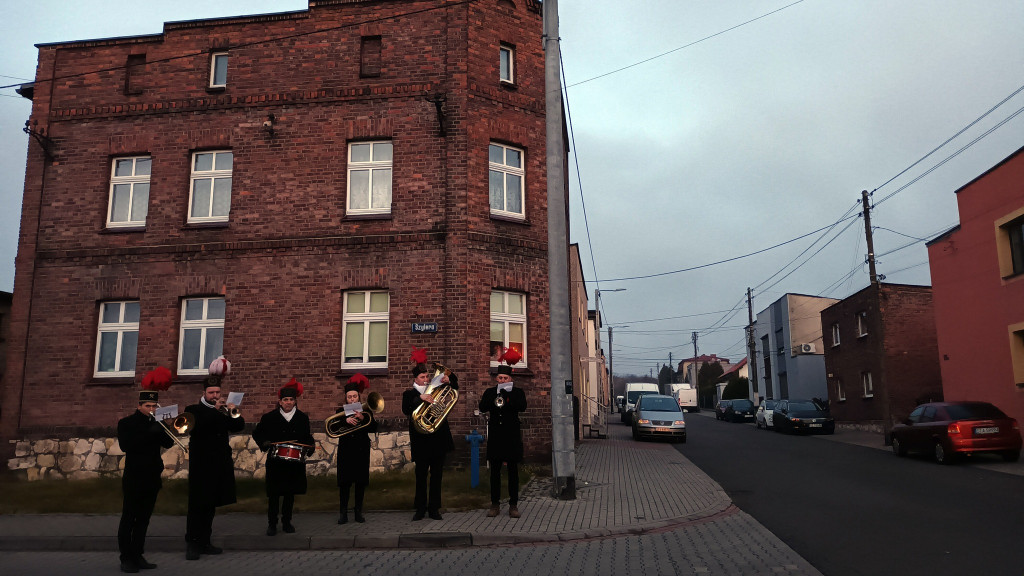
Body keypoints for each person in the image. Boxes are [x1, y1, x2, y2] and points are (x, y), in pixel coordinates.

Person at [184, 356, 245, 560]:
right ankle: (192, 543)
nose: (215, 395)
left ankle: (205, 541)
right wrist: (217, 411)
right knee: (197, 505)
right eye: (211, 393)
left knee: (210, 505)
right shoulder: (193, 410)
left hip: (219, 463)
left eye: (218, 392)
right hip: (201, 464)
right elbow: (198, 427)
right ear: (204, 393)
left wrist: (231, 411)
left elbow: (238, 426)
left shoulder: (223, 410)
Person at [116, 367, 174, 573]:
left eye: (153, 405)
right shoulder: (126, 423)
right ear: (139, 405)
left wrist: (165, 426)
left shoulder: (157, 423)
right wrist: (151, 431)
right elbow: (127, 445)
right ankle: (126, 558)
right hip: (134, 476)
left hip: (152, 476)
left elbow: (169, 443)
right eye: (148, 405)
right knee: (129, 517)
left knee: (144, 518)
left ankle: (138, 554)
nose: (151, 409)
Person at [252, 378, 315, 536]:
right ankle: (272, 524)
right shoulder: (269, 418)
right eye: (285, 400)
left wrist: (310, 446)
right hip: (276, 461)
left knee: (289, 494)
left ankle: (287, 522)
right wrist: (265, 443)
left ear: (295, 401)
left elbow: (307, 437)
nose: (288, 402)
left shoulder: (302, 418)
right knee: (274, 494)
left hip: (294, 463)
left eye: (291, 400)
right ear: (280, 402)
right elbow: (257, 433)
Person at [401, 347, 458, 521]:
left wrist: (450, 379)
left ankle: (434, 508)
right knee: (420, 475)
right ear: (415, 379)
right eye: (423, 377)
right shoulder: (409, 394)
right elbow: (406, 410)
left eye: (427, 377)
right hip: (421, 440)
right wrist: (420, 399)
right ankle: (420, 508)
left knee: (437, 475)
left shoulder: (435, 389)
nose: (426, 380)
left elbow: (455, 388)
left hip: (437, 438)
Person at [478, 349, 527, 518]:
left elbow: (522, 407)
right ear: (496, 379)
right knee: (495, 472)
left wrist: (508, 396)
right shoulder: (491, 392)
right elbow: (483, 407)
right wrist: (495, 397)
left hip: (511, 435)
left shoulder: (517, 392)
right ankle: (495, 504)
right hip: (496, 435)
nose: (502, 380)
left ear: (511, 379)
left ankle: (513, 504)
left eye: (505, 378)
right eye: (500, 378)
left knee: (513, 472)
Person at [336, 373, 378, 524]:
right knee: (345, 483)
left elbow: (374, 428)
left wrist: (363, 418)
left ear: (359, 397)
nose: (352, 399)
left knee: (360, 482)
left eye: (354, 396)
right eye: (349, 397)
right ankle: (343, 513)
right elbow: (333, 429)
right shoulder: (339, 413)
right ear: (346, 398)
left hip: (361, 450)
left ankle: (358, 512)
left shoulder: (366, 412)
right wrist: (344, 421)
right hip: (346, 451)